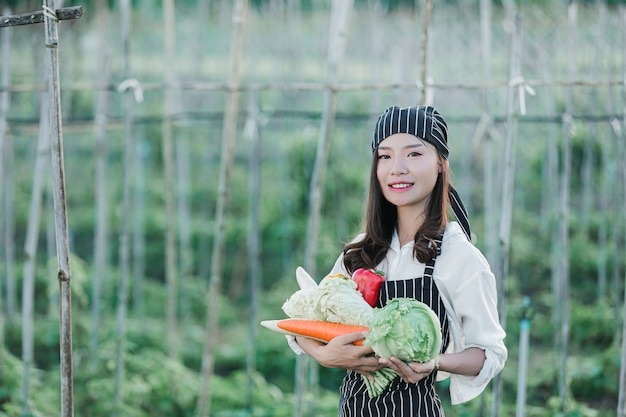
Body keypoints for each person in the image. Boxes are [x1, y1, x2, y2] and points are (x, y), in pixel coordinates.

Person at [292, 105, 508, 416]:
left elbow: (489, 354)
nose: (397, 168)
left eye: (414, 154)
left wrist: (435, 362)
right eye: (385, 156)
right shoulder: (360, 250)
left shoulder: (459, 257)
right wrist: (325, 355)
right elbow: (310, 319)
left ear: (440, 164)